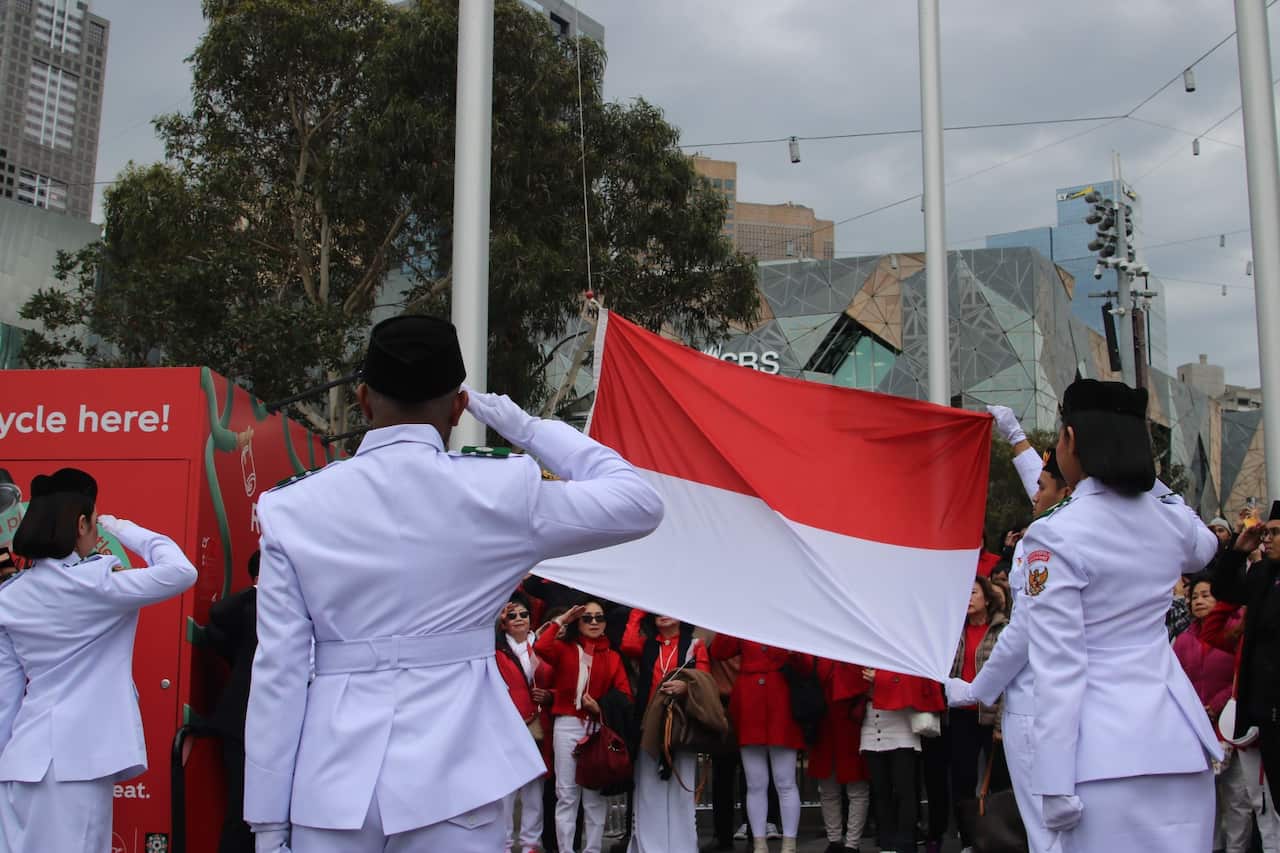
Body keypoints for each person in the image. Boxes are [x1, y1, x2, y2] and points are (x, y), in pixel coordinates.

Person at [244, 316, 664, 853]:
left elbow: (277, 674)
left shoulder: (292, 507)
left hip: (330, 781)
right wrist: (525, 427)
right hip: (456, 776)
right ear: (459, 407)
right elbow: (639, 503)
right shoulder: (501, 490)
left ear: (363, 400)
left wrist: (268, 824)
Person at [1017, 378, 1220, 852]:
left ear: (1070, 440)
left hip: (1100, 758)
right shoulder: (1166, 517)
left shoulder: (1053, 535)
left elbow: (1059, 667)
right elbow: (1204, 546)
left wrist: (1053, 781)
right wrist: (1153, 482)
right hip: (1179, 748)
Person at [0, 468, 198, 852]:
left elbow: (5, 696)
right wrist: (121, 527)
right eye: (94, 523)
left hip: (20, 762)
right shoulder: (99, 583)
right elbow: (180, 571)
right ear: (81, 524)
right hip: (80, 762)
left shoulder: (10, 596)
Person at [946, 406, 1071, 853]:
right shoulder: (1078, 523)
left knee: (1045, 824)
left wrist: (977, 690)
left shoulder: (1050, 538)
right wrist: (1015, 435)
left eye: (1041, 486)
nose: (1033, 493)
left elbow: (1025, 630)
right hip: (1057, 696)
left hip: (1039, 700)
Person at [535, 600, 634, 853]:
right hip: (567, 725)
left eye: (598, 618)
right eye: (587, 618)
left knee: (593, 798)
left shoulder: (612, 656)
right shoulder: (565, 649)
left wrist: (599, 707)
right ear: (578, 623)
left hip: (596, 728)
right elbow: (540, 646)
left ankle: (591, 850)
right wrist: (562, 619)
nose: (593, 623)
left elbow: (625, 696)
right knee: (566, 795)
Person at [1210, 500, 1280, 839]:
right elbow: (1225, 591)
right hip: (1262, 711)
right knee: (1267, 803)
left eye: (1276, 533)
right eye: (1267, 532)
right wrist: (1237, 552)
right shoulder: (1264, 573)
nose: (1268, 540)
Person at [618, 609, 710, 853]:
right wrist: (639, 608)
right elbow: (627, 644)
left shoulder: (694, 645)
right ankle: (651, 848)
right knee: (648, 791)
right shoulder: (648, 644)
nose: (663, 614)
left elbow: (705, 682)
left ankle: (682, 848)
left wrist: (685, 686)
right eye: (657, 610)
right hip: (649, 726)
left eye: (669, 609)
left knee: (681, 792)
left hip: (680, 727)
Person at [1172, 575, 1250, 853]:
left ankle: (1237, 848)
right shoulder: (1182, 640)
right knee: (1205, 798)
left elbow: (1240, 675)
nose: (1199, 601)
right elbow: (1176, 680)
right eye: (1194, 596)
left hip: (1230, 726)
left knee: (1236, 797)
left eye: (1207, 595)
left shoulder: (1235, 633)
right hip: (1196, 728)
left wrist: (1216, 705)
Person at [708, 635, 804, 853]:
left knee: (785, 781)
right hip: (749, 702)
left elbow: (805, 663)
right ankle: (759, 845)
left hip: (781, 702)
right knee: (755, 782)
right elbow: (720, 651)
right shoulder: (743, 618)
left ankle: (789, 845)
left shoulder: (785, 621)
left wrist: (794, 653)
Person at [206, 550, 261, 853]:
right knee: (240, 811)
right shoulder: (248, 607)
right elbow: (217, 615)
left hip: (281, 726)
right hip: (241, 722)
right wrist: (260, 588)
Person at [948, 577, 1008, 852]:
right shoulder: (954, 632)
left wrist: (999, 724)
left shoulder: (1002, 631)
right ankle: (968, 840)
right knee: (962, 780)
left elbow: (1009, 682)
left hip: (992, 716)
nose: (968, 598)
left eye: (973, 592)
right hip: (962, 716)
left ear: (987, 598)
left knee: (997, 782)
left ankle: (999, 838)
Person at [860, 668, 943, 853]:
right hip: (871, 722)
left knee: (904, 789)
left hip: (901, 723)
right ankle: (887, 844)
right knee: (880, 790)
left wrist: (881, 679)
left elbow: (915, 677)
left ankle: (906, 843)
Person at [496, 593, 552, 853]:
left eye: (524, 614)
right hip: (506, 725)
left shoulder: (542, 645)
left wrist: (550, 695)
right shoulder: (494, 649)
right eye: (512, 615)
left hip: (538, 724)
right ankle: (504, 843)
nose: (519, 619)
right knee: (506, 788)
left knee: (533, 787)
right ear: (503, 622)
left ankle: (531, 842)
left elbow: (558, 679)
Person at [806, 659, 870, 853]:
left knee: (856, 786)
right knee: (828, 787)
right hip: (825, 721)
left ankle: (852, 843)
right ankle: (835, 840)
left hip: (850, 721)